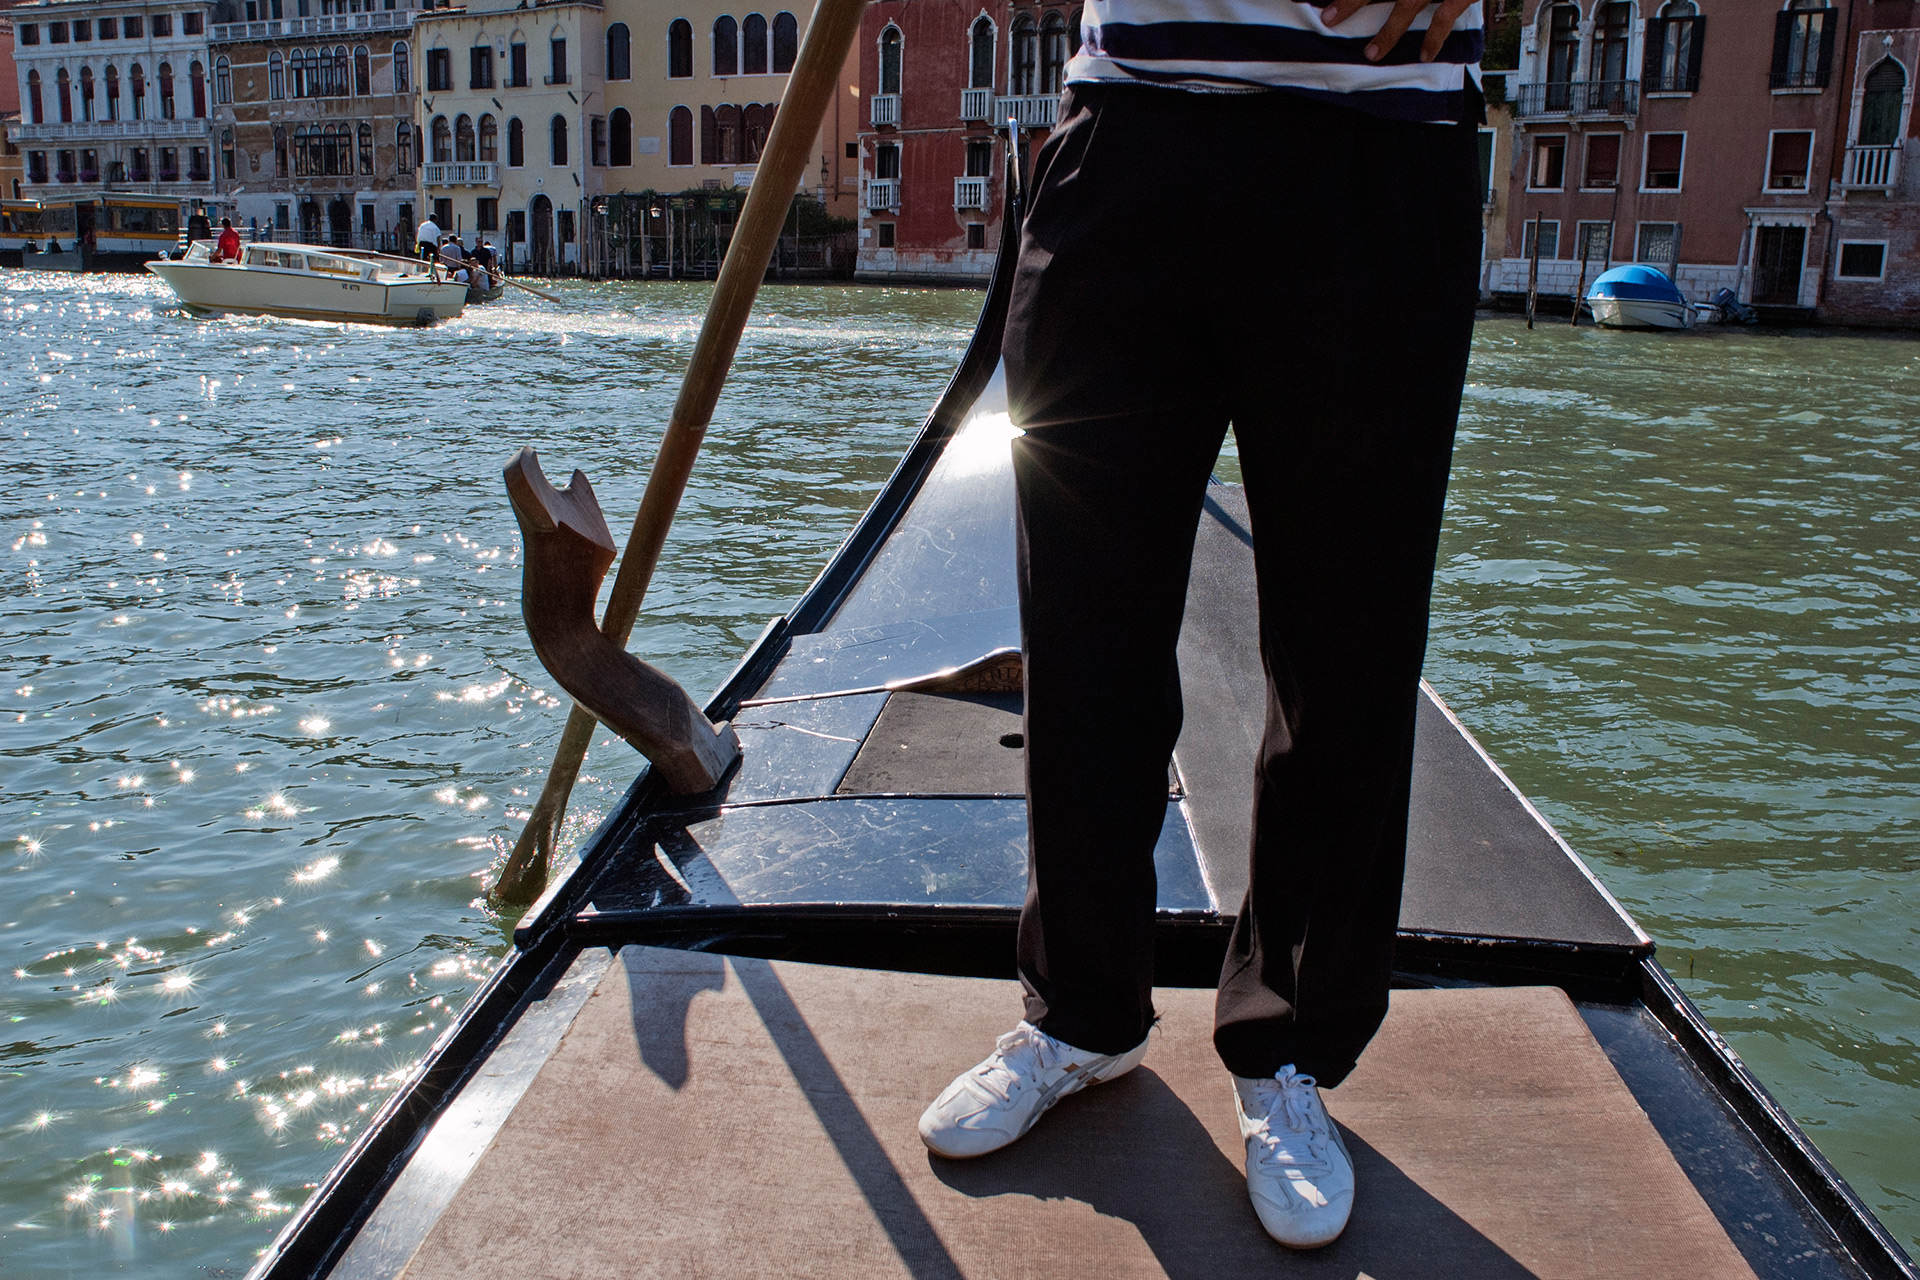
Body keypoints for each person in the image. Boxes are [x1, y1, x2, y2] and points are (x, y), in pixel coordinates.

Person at [916, 0, 1485, 1253]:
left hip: (1372, 146)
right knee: (1082, 631)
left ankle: (1286, 1047)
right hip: (1127, 135)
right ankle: (1084, 1013)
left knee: (1346, 650)